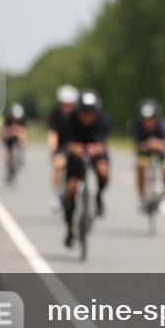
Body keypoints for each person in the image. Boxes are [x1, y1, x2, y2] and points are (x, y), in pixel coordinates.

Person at [59, 89, 111, 248]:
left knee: (103, 170)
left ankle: (99, 196)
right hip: (75, 156)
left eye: (91, 112)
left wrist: (96, 150)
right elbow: (64, 143)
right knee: (71, 189)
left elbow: (103, 144)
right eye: (84, 112)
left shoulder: (103, 120)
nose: (87, 116)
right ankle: (69, 229)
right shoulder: (68, 120)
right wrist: (73, 148)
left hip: (95, 152)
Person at [129, 99, 165, 215]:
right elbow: (136, 145)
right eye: (145, 119)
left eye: (151, 119)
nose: (148, 122)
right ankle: (142, 199)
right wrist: (147, 145)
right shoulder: (136, 126)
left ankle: (164, 197)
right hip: (144, 150)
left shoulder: (163, 125)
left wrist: (156, 145)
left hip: (161, 150)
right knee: (140, 166)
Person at [48, 84, 79, 211]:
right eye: (64, 104)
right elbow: (53, 134)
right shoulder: (55, 116)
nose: (67, 108)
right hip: (63, 146)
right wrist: (53, 150)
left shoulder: (80, 115)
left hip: (78, 147)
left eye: (70, 104)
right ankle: (56, 194)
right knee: (58, 164)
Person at [1, 103, 27, 179]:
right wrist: (8, 134)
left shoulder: (22, 119)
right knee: (9, 152)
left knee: (23, 139)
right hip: (9, 135)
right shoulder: (8, 119)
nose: (17, 119)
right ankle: (8, 166)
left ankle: (21, 154)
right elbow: (4, 131)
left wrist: (22, 138)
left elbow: (24, 130)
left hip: (18, 135)